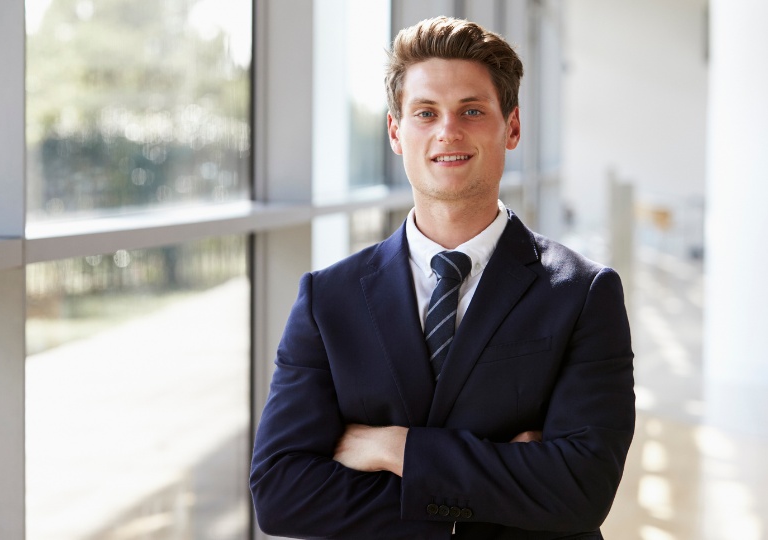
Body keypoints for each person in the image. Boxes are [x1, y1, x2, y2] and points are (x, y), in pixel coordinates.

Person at [250, 16, 634, 539]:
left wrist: (394, 449)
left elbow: (580, 491)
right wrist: (504, 486)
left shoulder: (583, 292)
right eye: (425, 112)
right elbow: (281, 494)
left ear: (512, 127)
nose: (447, 131)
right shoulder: (328, 298)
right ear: (395, 131)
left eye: (471, 111)